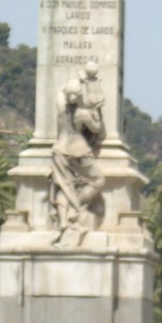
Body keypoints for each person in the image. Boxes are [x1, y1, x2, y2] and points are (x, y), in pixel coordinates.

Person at [49, 80, 106, 245]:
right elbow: (96, 128)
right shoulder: (83, 114)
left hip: (59, 150)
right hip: (78, 151)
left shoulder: (61, 109)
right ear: (79, 95)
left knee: (64, 184)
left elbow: (59, 93)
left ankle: (63, 222)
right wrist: (96, 112)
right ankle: (76, 208)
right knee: (98, 180)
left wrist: (66, 88)